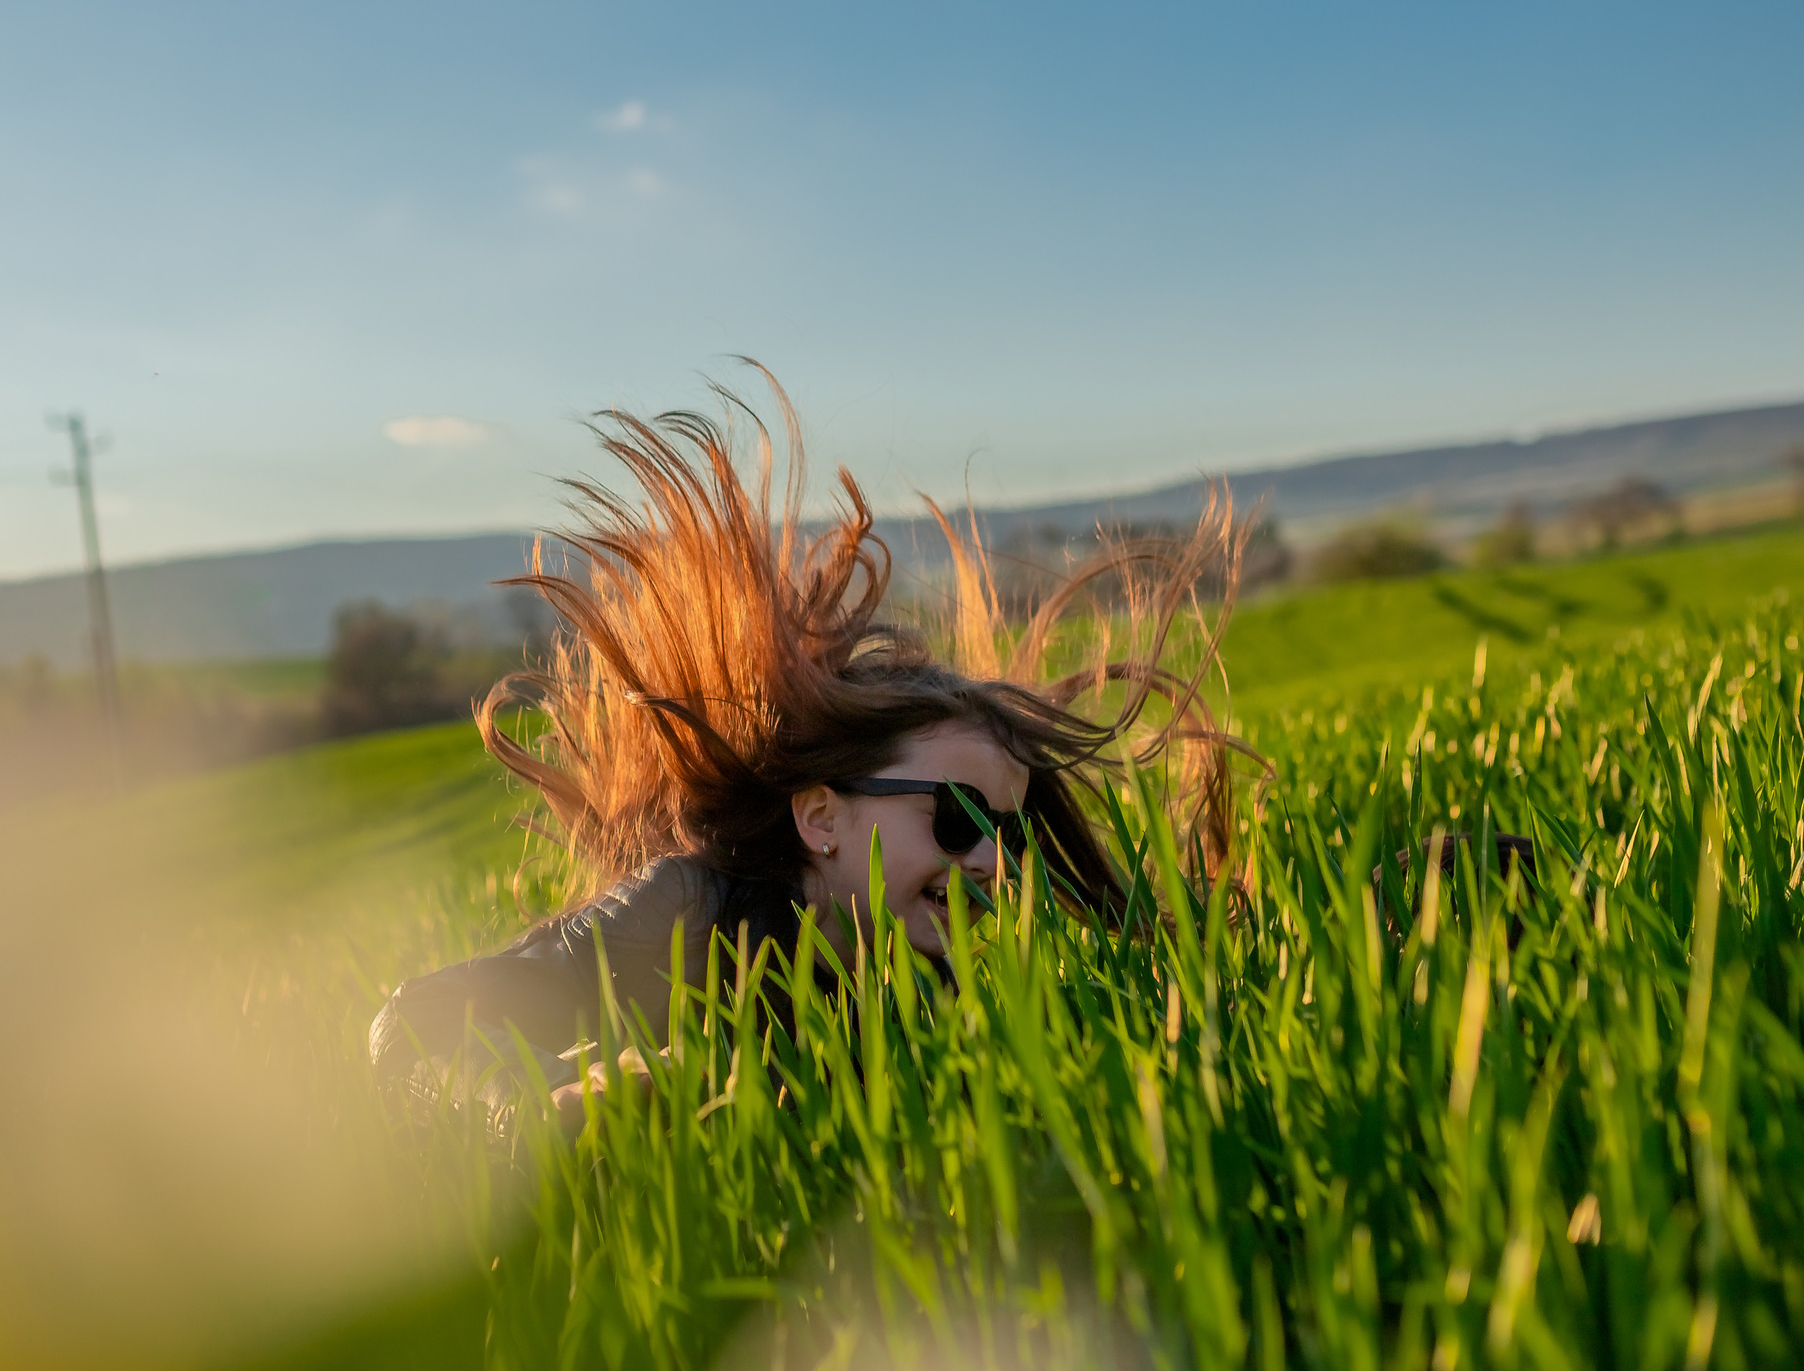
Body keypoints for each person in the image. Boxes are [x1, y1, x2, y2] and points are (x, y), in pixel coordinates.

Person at [367, 376, 1250, 1120]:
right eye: (957, 817)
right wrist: (544, 1107)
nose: (992, 863)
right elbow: (412, 1025)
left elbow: (1160, 961)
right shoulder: (684, 907)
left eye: (1008, 834)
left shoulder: (958, 970)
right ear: (822, 816)